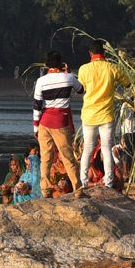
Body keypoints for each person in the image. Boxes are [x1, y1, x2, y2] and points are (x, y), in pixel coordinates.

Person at [77, 39, 130, 190]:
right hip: (106, 114)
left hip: (89, 114)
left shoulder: (84, 69)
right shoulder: (112, 67)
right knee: (106, 148)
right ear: (104, 53)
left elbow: (81, 91)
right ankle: (108, 182)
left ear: (90, 53)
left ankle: (84, 182)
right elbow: (127, 83)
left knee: (87, 148)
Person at [32, 50, 85, 198]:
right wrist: (68, 72)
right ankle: (78, 190)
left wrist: (35, 127)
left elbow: (37, 105)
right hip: (61, 123)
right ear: (61, 63)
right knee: (68, 157)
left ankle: (46, 191)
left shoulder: (41, 81)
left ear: (46, 64)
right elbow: (81, 91)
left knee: (46, 159)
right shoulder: (69, 77)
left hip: (44, 122)